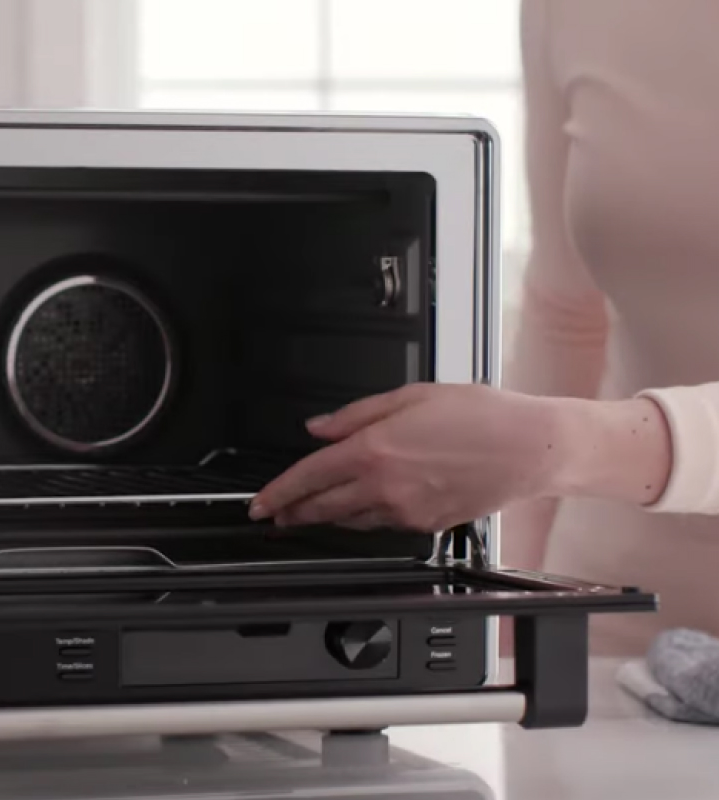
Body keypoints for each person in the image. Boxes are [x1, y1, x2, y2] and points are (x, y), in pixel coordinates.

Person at [252, 0, 719, 656]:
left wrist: (561, 444)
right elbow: (566, 317)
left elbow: (553, 438)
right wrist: (498, 622)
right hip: (605, 625)